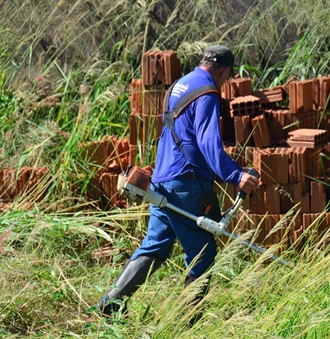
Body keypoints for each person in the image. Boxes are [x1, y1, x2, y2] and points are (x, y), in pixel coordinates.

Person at [98, 44, 259, 318]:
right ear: (223, 69)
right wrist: (235, 176)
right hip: (187, 185)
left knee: (156, 246)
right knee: (203, 253)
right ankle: (185, 322)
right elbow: (208, 142)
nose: (226, 81)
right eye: (227, 76)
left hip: (162, 182)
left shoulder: (179, 86)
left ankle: (111, 303)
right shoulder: (207, 92)